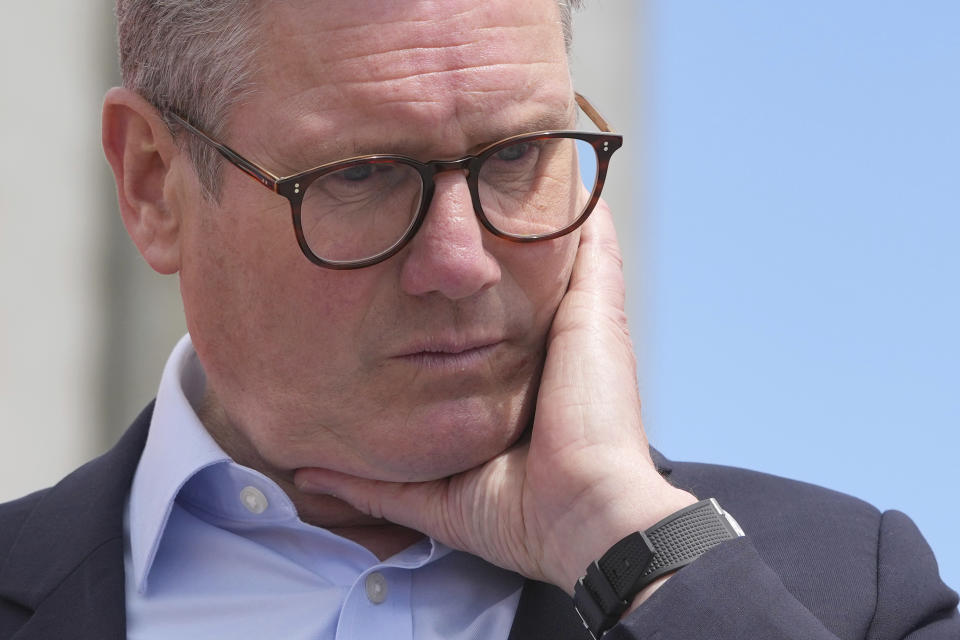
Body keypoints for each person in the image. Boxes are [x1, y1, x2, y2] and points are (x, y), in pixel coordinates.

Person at [0, 0, 956, 638]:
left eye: (516, 157)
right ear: (154, 183)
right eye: (361, 175)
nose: (460, 262)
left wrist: (628, 548)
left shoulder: (856, 595)